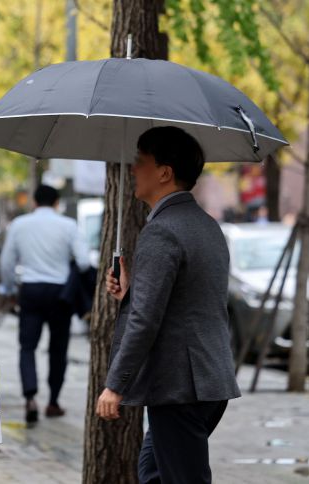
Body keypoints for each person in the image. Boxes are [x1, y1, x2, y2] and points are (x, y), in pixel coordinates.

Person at [96, 126, 241, 484]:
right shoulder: (206, 225)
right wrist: (132, 293)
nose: (133, 170)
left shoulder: (162, 231)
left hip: (180, 386)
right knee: (154, 472)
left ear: (164, 172)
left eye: (141, 162)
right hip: (207, 380)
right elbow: (187, 299)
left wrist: (116, 385)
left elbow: (145, 319)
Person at [0, 185, 89, 423]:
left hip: (31, 289)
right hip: (61, 293)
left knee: (27, 346)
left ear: (34, 202)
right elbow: (83, 261)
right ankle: (53, 402)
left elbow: (6, 262)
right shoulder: (68, 226)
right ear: (57, 202)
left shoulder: (20, 224)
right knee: (58, 349)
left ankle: (30, 397)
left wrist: (9, 288)